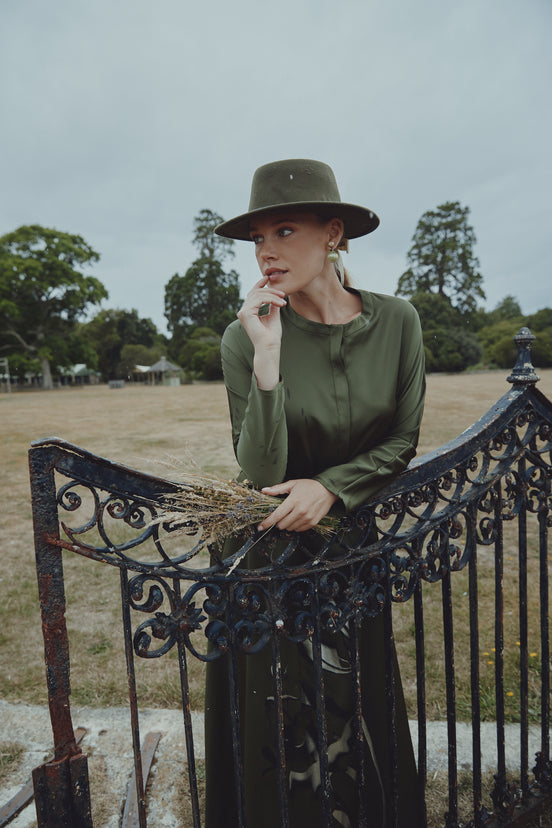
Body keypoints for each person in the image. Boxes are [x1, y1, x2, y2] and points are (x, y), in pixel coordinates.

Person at [204, 159, 426, 827]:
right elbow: (258, 471)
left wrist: (331, 487)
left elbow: (401, 442)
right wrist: (267, 361)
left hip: (351, 550)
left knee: (356, 701)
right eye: (257, 240)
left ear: (333, 234)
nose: (267, 253)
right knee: (277, 722)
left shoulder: (398, 324)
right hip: (265, 562)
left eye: (285, 230)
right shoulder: (244, 338)